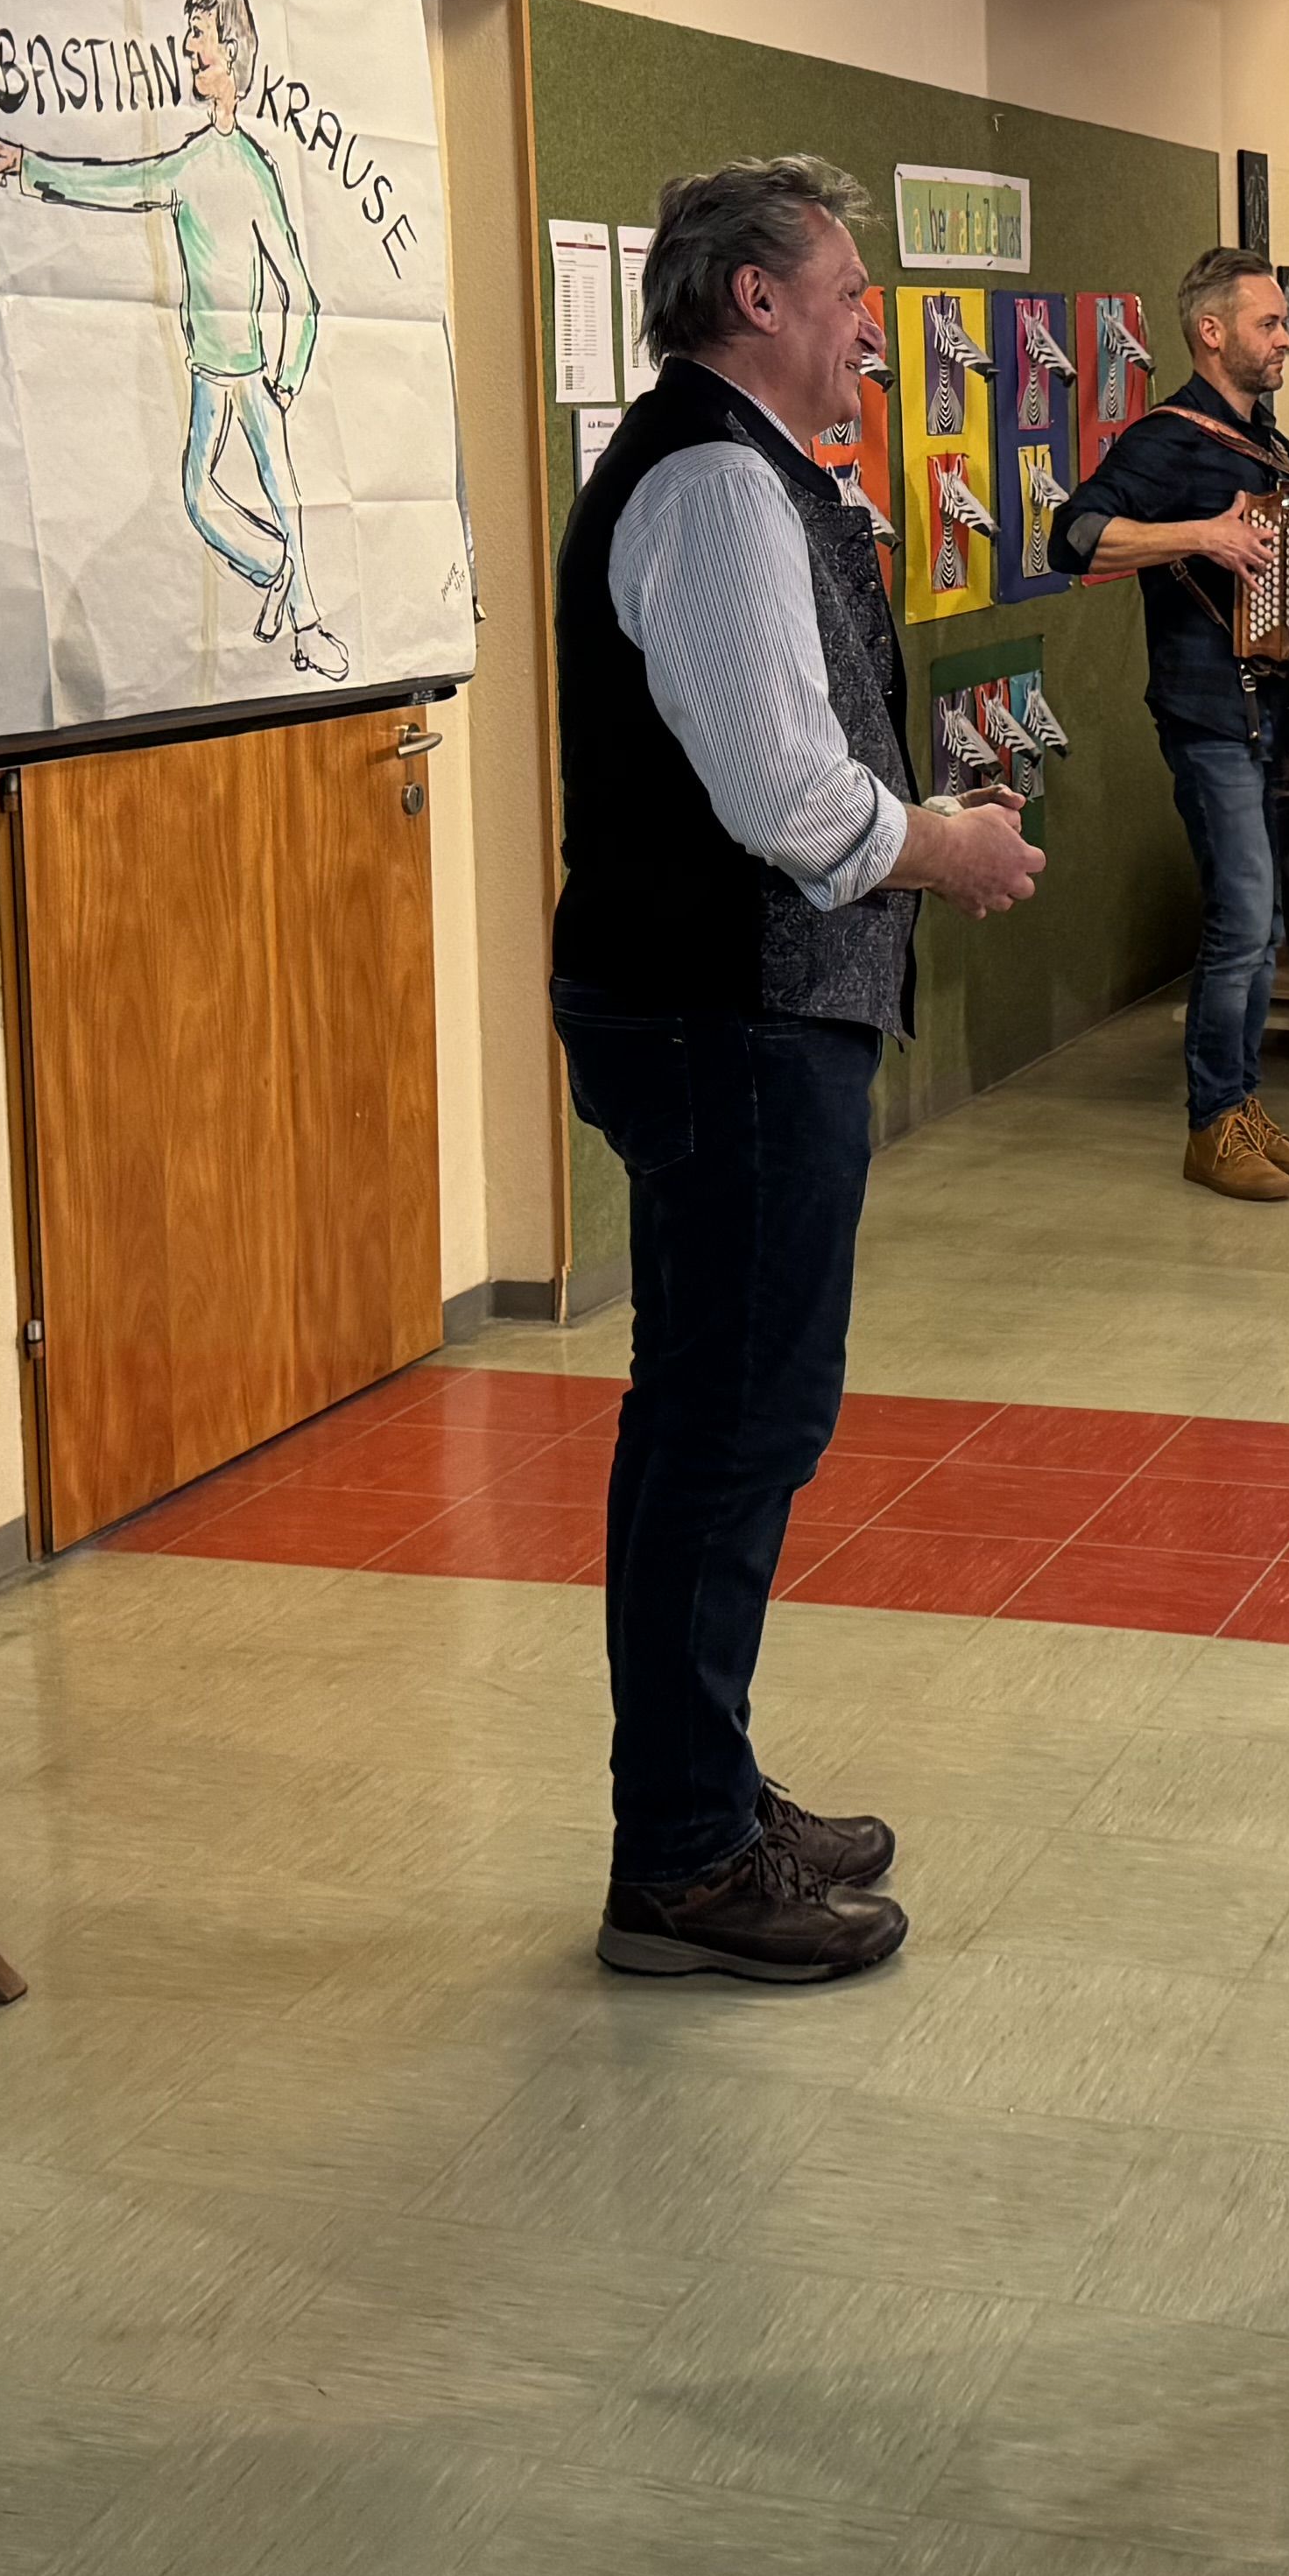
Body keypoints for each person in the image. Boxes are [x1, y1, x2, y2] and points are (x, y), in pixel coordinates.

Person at [549, 155, 1045, 1986]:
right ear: (754, 298)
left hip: (730, 1009)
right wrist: (945, 847)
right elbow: (783, 793)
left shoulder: (741, 469)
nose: (868, 328)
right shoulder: (710, 483)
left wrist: (910, 823)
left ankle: (703, 1792)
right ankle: (683, 1858)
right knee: (732, 1424)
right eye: (844, 291)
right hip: (725, 1015)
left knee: (717, 1413)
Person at [0, 0, 344, 682]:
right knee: (201, 495)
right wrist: (26, 165)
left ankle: (307, 625)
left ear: (229, 50)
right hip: (210, 373)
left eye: (199, 35)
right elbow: (114, 184)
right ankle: (278, 569)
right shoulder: (191, 163)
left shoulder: (247, 169)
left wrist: (284, 382)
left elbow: (303, 297)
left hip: (251, 374)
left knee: (280, 490)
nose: (188, 48)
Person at [1048, 245, 1289, 1203]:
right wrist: (1202, 534)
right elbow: (1074, 536)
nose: (1285, 338)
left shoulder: (1259, 438)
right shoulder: (1166, 440)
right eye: (1268, 322)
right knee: (1240, 920)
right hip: (1208, 715)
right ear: (1212, 332)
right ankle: (1212, 1126)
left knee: (1267, 921)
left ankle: (1243, 1108)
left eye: (1284, 322)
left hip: (1265, 711)